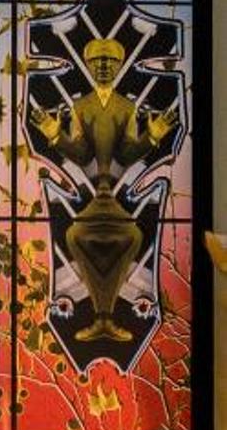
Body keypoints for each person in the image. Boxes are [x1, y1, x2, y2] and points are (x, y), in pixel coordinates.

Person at [33, 37, 178, 343]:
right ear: (87, 65)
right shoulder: (80, 106)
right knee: (76, 236)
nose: (103, 66)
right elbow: (82, 154)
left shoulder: (126, 107)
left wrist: (152, 136)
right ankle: (103, 317)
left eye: (110, 61)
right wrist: (55, 134)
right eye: (97, 61)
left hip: (112, 197)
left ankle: (103, 317)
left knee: (131, 237)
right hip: (94, 197)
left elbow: (126, 154)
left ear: (120, 65)